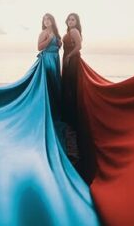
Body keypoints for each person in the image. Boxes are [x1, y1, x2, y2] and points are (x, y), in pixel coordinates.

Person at [37, 13, 66, 146]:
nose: (47, 21)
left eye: (49, 19)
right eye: (45, 19)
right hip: (48, 59)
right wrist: (49, 39)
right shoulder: (44, 33)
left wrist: (59, 42)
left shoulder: (55, 32)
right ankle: (48, 111)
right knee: (49, 84)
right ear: (43, 22)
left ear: (52, 21)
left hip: (55, 59)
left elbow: (58, 46)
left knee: (56, 85)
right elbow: (39, 47)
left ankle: (57, 109)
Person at [61, 13, 83, 166]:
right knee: (67, 87)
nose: (70, 21)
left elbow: (79, 47)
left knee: (70, 89)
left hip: (73, 60)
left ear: (77, 22)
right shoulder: (69, 32)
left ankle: (72, 117)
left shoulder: (74, 31)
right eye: (69, 19)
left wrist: (69, 56)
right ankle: (69, 115)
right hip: (68, 59)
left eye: (73, 19)